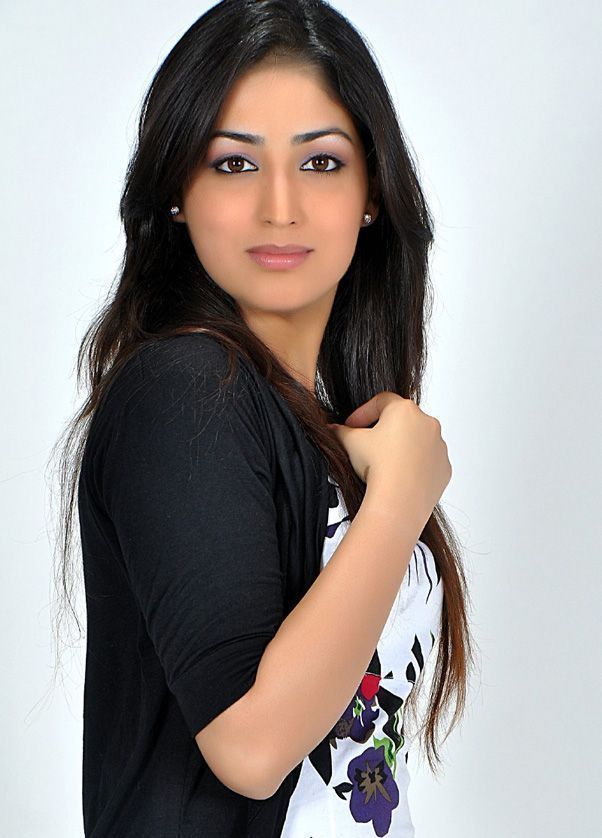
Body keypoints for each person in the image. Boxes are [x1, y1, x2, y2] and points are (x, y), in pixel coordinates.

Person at [51, 1, 477, 835]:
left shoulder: (311, 417)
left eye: (320, 162)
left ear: (370, 194)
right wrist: (399, 502)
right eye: (234, 164)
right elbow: (250, 747)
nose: (280, 207)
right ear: (178, 193)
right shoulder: (184, 390)